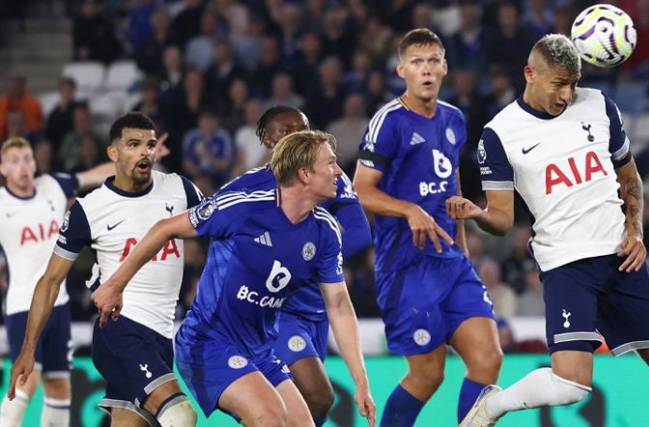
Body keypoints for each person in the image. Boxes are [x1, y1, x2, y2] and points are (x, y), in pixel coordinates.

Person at [452, 34, 649, 427]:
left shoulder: (599, 106)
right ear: (530, 73)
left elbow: (629, 178)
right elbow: (501, 220)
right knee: (570, 387)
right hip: (567, 265)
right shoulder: (499, 134)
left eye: (574, 83)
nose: (567, 94)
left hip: (620, 257)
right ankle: (493, 404)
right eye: (559, 84)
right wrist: (475, 213)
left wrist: (636, 230)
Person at [93, 130, 376, 426]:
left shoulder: (325, 231)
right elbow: (165, 228)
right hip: (208, 341)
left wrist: (361, 381)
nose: (339, 171)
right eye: (330, 163)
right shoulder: (242, 209)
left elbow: (340, 305)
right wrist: (115, 285)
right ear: (305, 173)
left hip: (261, 348)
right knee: (270, 416)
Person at [7, 113, 201, 426]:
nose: (145, 152)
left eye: (150, 145)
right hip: (121, 332)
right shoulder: (89, 209)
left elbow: (221, 233)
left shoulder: (180, 189)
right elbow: (50, 281)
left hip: (163, 337)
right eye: (134, 144)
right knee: (180, 415)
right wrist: (28, 350)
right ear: (113, 153)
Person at [352, 28, 501, 426]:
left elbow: (451, 181)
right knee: (428, 375)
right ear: (402, 70)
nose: (427, 70)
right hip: (405, 266)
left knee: (488, 360)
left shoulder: (454, 119)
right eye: (417, 63)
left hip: (449, 261)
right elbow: (360, 191)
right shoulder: (389, 122)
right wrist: (409, 210)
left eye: (434, 60)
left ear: (445, 67)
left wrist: (462, 244)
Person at [217, 105, 372, 424]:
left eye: (302, 128)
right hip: (275, 310)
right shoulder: (249, 187)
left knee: (296, 406)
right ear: (266, 140)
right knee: (319, 395)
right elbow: (216, 236)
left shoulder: (331, 177)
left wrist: (307, 249)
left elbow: (358, 234)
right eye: (286, 131)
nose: (297, 136)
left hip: (318, 308)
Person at [0, 137, 113, 427]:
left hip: (58, 305)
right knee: (26, 380)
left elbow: (95, 175)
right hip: (23, 306)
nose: (23, 166)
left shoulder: (53, 186)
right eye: (14, 161)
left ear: (35, 163)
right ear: (3, 168)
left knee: (60, 387)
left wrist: (132, 159)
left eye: (27, 158)